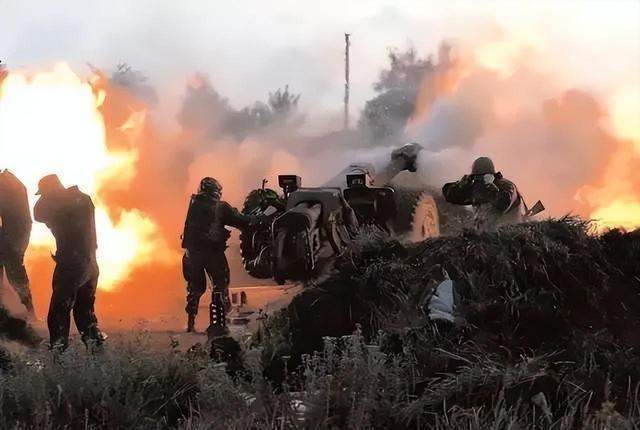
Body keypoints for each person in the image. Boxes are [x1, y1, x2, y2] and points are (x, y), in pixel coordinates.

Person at [33, 174, 106, 351]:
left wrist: (50, 195)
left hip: (71, 266)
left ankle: (59, 356)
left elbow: (38, 214)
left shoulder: (60, 204)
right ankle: (98, 354)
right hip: (90, 264)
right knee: (85, 314)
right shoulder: (83, 199)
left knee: (58, 312)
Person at [181, 177, 254, 338]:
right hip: (212, 253)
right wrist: (257, 218)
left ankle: (190, 323)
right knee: (220, 286)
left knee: (195, 287)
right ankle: (219, 324)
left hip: (191, 253)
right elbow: (242, 221)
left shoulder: (194, 204)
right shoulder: (220, 207)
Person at [442, 157, 523, 231]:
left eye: (481, 177)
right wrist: (460, 186)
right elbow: (451, 197)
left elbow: (502, 205)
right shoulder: (477, 187)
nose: (479, 180)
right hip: (484, 234)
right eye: (476, 177)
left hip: (509, 233)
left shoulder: (506, 186)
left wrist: (491, 187)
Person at [0, 169, 35, 319]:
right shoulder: (11, 181)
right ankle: (29, 312)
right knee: (17, 276)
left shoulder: (5, 185)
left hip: (12, 237)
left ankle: (30, 314)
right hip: (16, 235)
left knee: (16, 277)